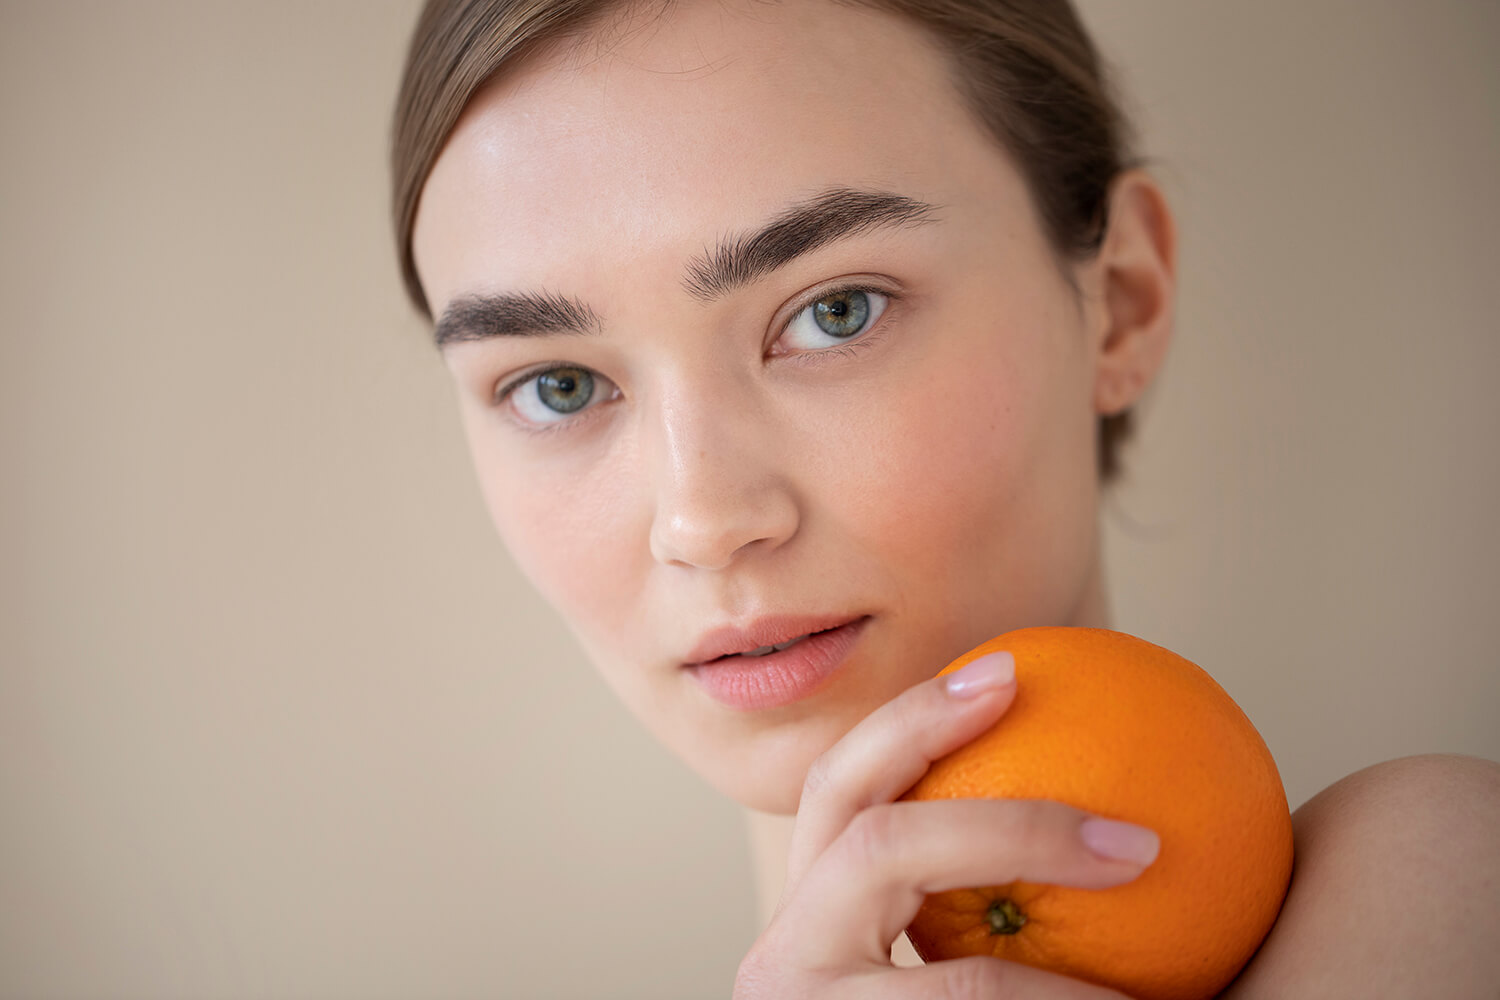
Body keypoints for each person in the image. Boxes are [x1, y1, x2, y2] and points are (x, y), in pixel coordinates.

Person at [389, 0, 1500, 994]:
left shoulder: (1440, 906)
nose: (705, 518)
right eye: (557, 385)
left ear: (1118, 305)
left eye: (835, 312)